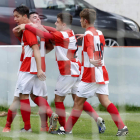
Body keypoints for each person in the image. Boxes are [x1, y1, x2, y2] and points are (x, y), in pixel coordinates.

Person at [15, 12, 106, 134]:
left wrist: (27, 26)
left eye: (57, 21)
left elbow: (43, 34)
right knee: (78, 100)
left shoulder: (60, 35)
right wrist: (36, 25)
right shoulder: (69, 32)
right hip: (77, 70)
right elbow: (50, 30)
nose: (55, 23)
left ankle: (63, 128)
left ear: (63, 24)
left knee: (58, 99)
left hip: (67, 72)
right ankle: (97, 118)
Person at [51, 8, 128, 136]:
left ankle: (66, 129)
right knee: (105, 101)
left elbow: (91, 48)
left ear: (85, 21)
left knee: (78, 103)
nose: (80, 22)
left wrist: (91, 59)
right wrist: (86, 39)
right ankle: (122, 127)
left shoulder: (88, 35)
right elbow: (98, 45)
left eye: (81, 20)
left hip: (90, 74)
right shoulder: (99, 33)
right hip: (102, 71)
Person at [2, 6, 58, 133]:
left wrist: (37, 67)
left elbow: (36, 49)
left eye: (17, 16)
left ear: (25, 17)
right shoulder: (38, 31)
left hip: (28, 69)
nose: (15, 19)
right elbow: (48, 47)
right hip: (39, 68)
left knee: (20, 97)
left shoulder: (28, 30)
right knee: (39, 96)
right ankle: (47, 121)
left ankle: (24, 127)